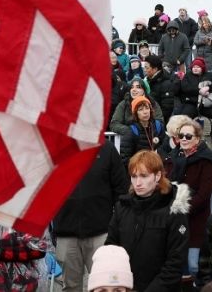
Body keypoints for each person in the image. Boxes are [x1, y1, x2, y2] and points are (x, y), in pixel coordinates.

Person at [106, 150, 189, 291]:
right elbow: (111, 248)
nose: (138, 182)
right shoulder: (123, 207)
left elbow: (175, 263)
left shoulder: (174, 211)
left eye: (144, 176)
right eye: (134, 176)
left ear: (157, 176)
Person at [54, 141, 128, 292]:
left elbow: (121, 190)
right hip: (66, 233)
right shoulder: (55, 150)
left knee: (103, 286)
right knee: (70, 287)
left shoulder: (107, 149)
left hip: (101, 233)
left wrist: (118, 226)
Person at [167, 118, 212, 278]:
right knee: (177, 264)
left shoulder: (206, 160)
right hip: (174, 220)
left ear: (197, 138)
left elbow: (203, 195)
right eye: (181, 135)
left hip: (196, 219)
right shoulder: (174, 156)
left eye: (188, 136)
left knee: (194, 265)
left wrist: (181, 208)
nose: (183, 139)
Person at [119, 96, 165, 166]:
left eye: (147, 108)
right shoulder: (130, 131)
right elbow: (125, 158)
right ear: (135, 113)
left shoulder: (158, 126)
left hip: (157, 166)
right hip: (140, 169)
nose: (145, 112)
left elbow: (165, 148)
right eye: (140, 109)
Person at [143, 54, 182, 119]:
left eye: (146, 68)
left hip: (157, 119)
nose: (144, 69)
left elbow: (167, 110)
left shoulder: (166, 83)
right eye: (144, 67)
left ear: (155, 69)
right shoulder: (147, 80)